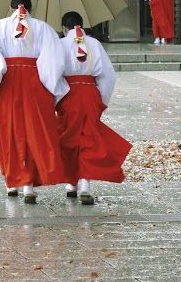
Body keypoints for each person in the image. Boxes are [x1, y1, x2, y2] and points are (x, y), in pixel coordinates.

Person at [0, 0, 69, 204]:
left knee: (9, 132)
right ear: (31, 8)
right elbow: (53, 62)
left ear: (10, 9)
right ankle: (29, 185)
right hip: (36, 82)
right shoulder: (43, 28)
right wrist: (51, 87)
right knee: (33, 132)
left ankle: (12, 182)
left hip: (8, 83)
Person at [56, 11, 132, 205]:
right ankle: (84, 185)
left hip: (68, 95)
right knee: (88, 137)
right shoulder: (95, 44)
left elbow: (53, 73)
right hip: (90, 93)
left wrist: (56, 99)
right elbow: (108, 75)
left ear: (64, 28)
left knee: (69, 137)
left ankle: (72, 183)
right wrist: (102, 100)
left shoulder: (60, 44)